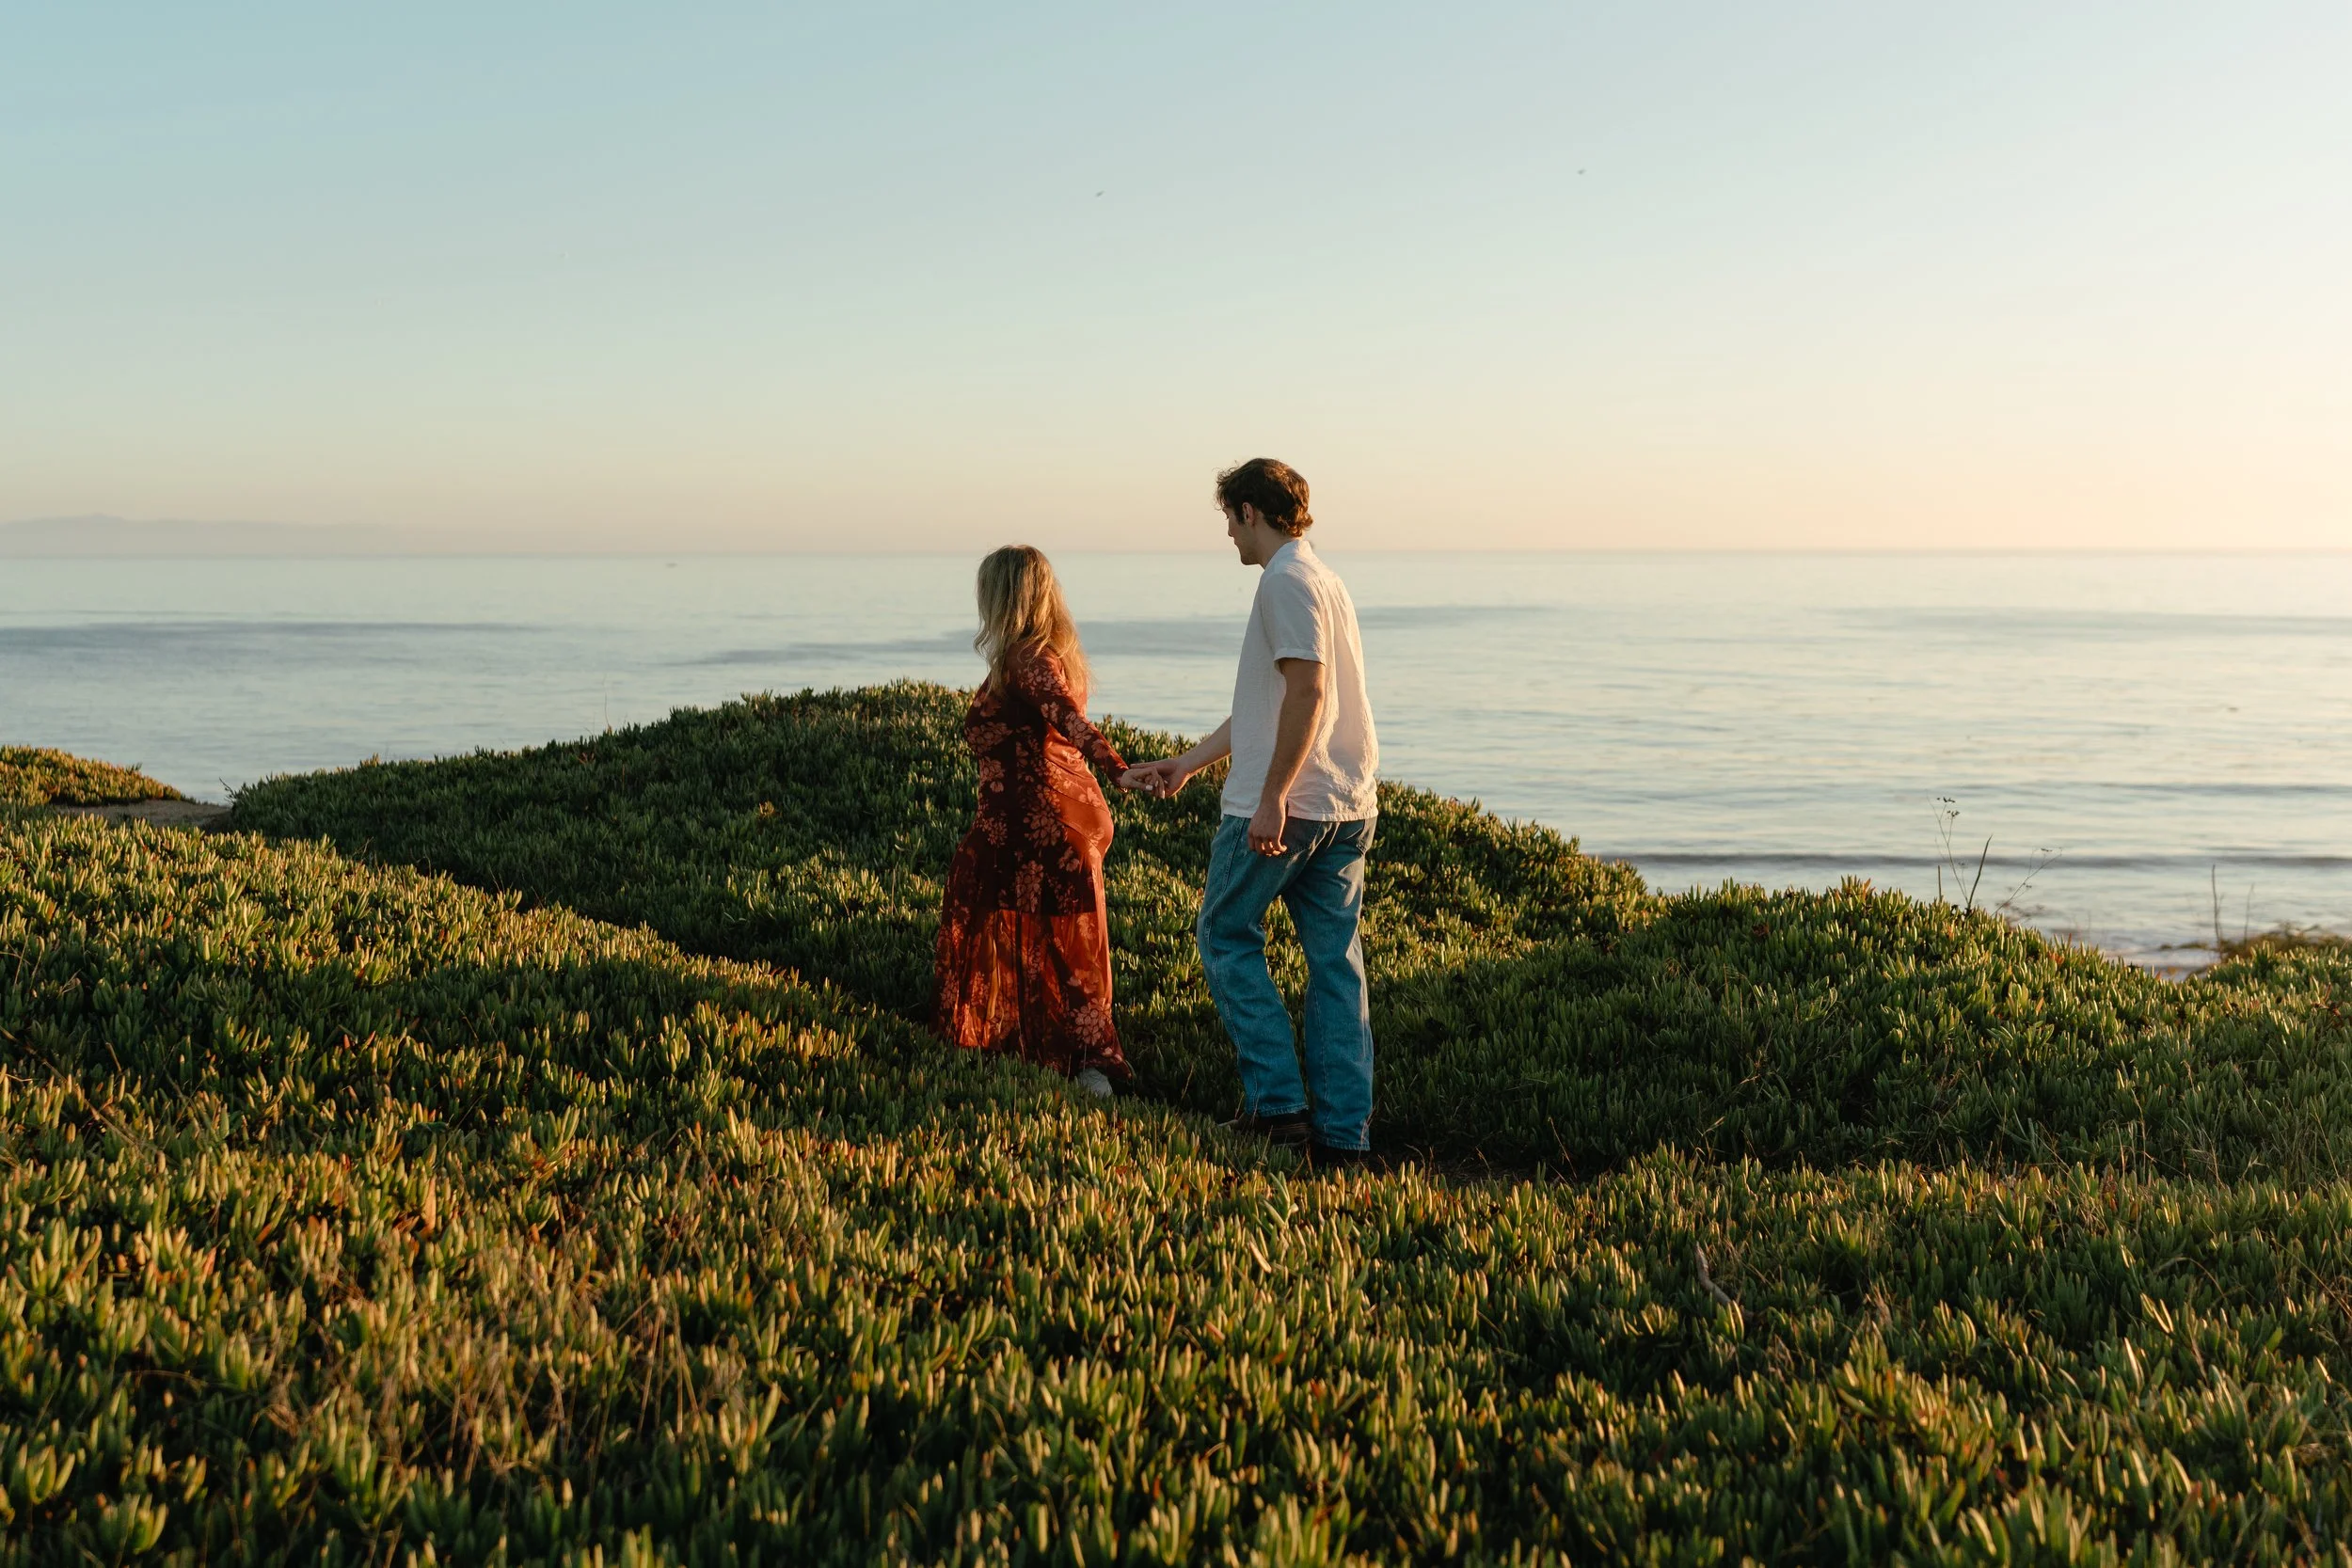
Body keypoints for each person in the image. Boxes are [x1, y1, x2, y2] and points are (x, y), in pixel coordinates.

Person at [1120, 458, 1379, 1164]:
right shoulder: (1324, 579)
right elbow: (1264, 707)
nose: (1227, 537)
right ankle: (1343, 1141)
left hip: (1290, 806)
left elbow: (1308, 692)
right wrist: (1187, 765)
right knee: (1334, 964)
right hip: (1347, 804)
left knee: (1225, 935)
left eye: (1228, 520)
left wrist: (1271, 797)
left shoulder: (1285, 581)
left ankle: (1279, 1109)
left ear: (1248, 513)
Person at [934, 546, 1131, 1098]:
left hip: (1040, 821)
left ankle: (1088, 1067)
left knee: (1055, 940)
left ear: (1002, 595)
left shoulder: (1029, 658)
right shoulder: (1049, 653)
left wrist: (1119, 768)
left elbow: (1070, 720)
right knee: (1052, 935)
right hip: (1043, 818)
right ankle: (1048, 1054)